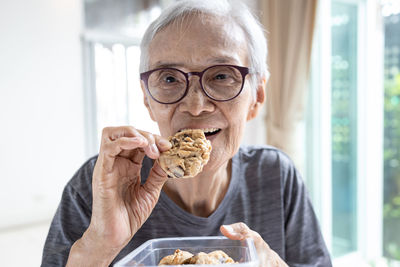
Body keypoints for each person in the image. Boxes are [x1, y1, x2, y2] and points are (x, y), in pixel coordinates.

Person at [41, 0, 332, 266]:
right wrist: (99, 246)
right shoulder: (100, 185)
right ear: (147, 100)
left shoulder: (275, 176)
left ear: (256, 96)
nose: (194, 106)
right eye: (169, 78)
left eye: (221, 76)